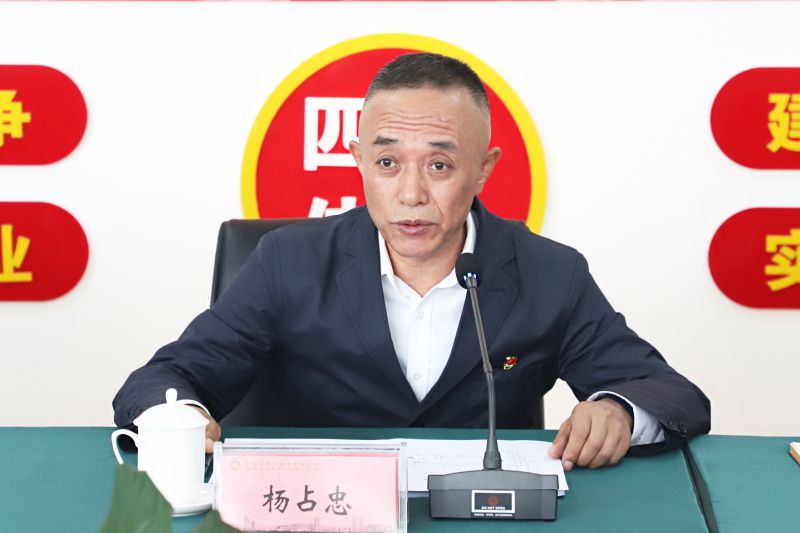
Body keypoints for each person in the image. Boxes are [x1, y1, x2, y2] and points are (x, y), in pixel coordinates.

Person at [114, 53, 710, 472]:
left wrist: (617, 411)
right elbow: (162, 380)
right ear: (358, 161)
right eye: (388, 163)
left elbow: (672, 394)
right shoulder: (289, 261)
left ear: (485, 168)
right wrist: (180, 417)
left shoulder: (549, 272)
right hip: (324, 512)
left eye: (440, 166)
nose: (411, 194)